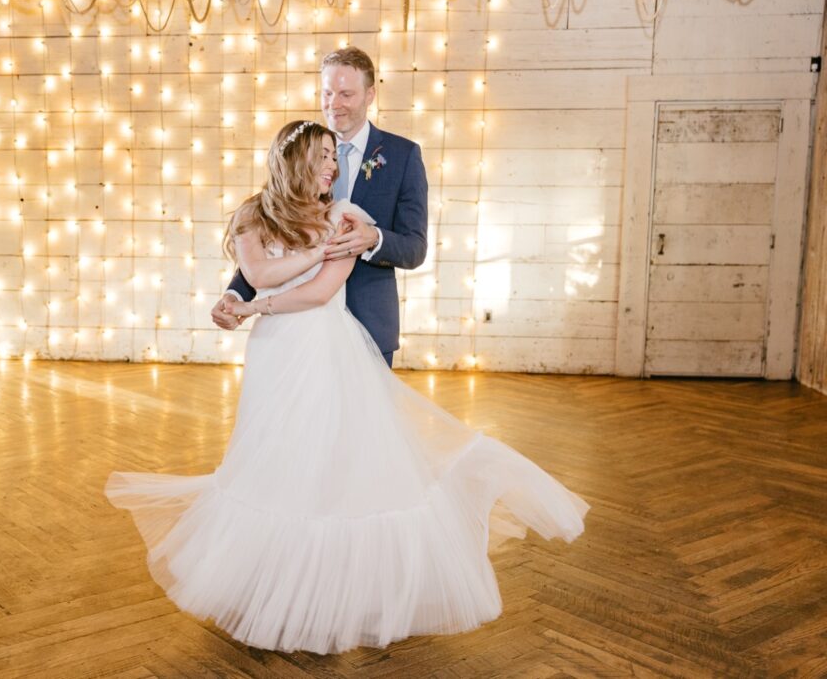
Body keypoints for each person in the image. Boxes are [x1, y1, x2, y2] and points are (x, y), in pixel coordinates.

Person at [105, 119, 590, 655]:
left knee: (333, 463)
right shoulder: (252, 213)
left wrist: (258, 305)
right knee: (275, 461)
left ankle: (336, 587)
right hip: (274, 354)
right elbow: (259, 272)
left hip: (326, 346)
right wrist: (243, 299)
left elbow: (319, 292)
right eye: (321, 158)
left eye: (335, 158)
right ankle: (273, 577)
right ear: (292, 163)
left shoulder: (344, 217)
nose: (332, 167)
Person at [211, 46, 428, 367]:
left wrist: (375, 239)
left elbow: (415, 248)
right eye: (327, 93)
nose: (333, 104)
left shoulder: (402, 155)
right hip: (295, 328)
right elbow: (271, 230)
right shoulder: (300, 149)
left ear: (370, 95)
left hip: (370, 322)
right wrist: (236, 294)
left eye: (345, 94)